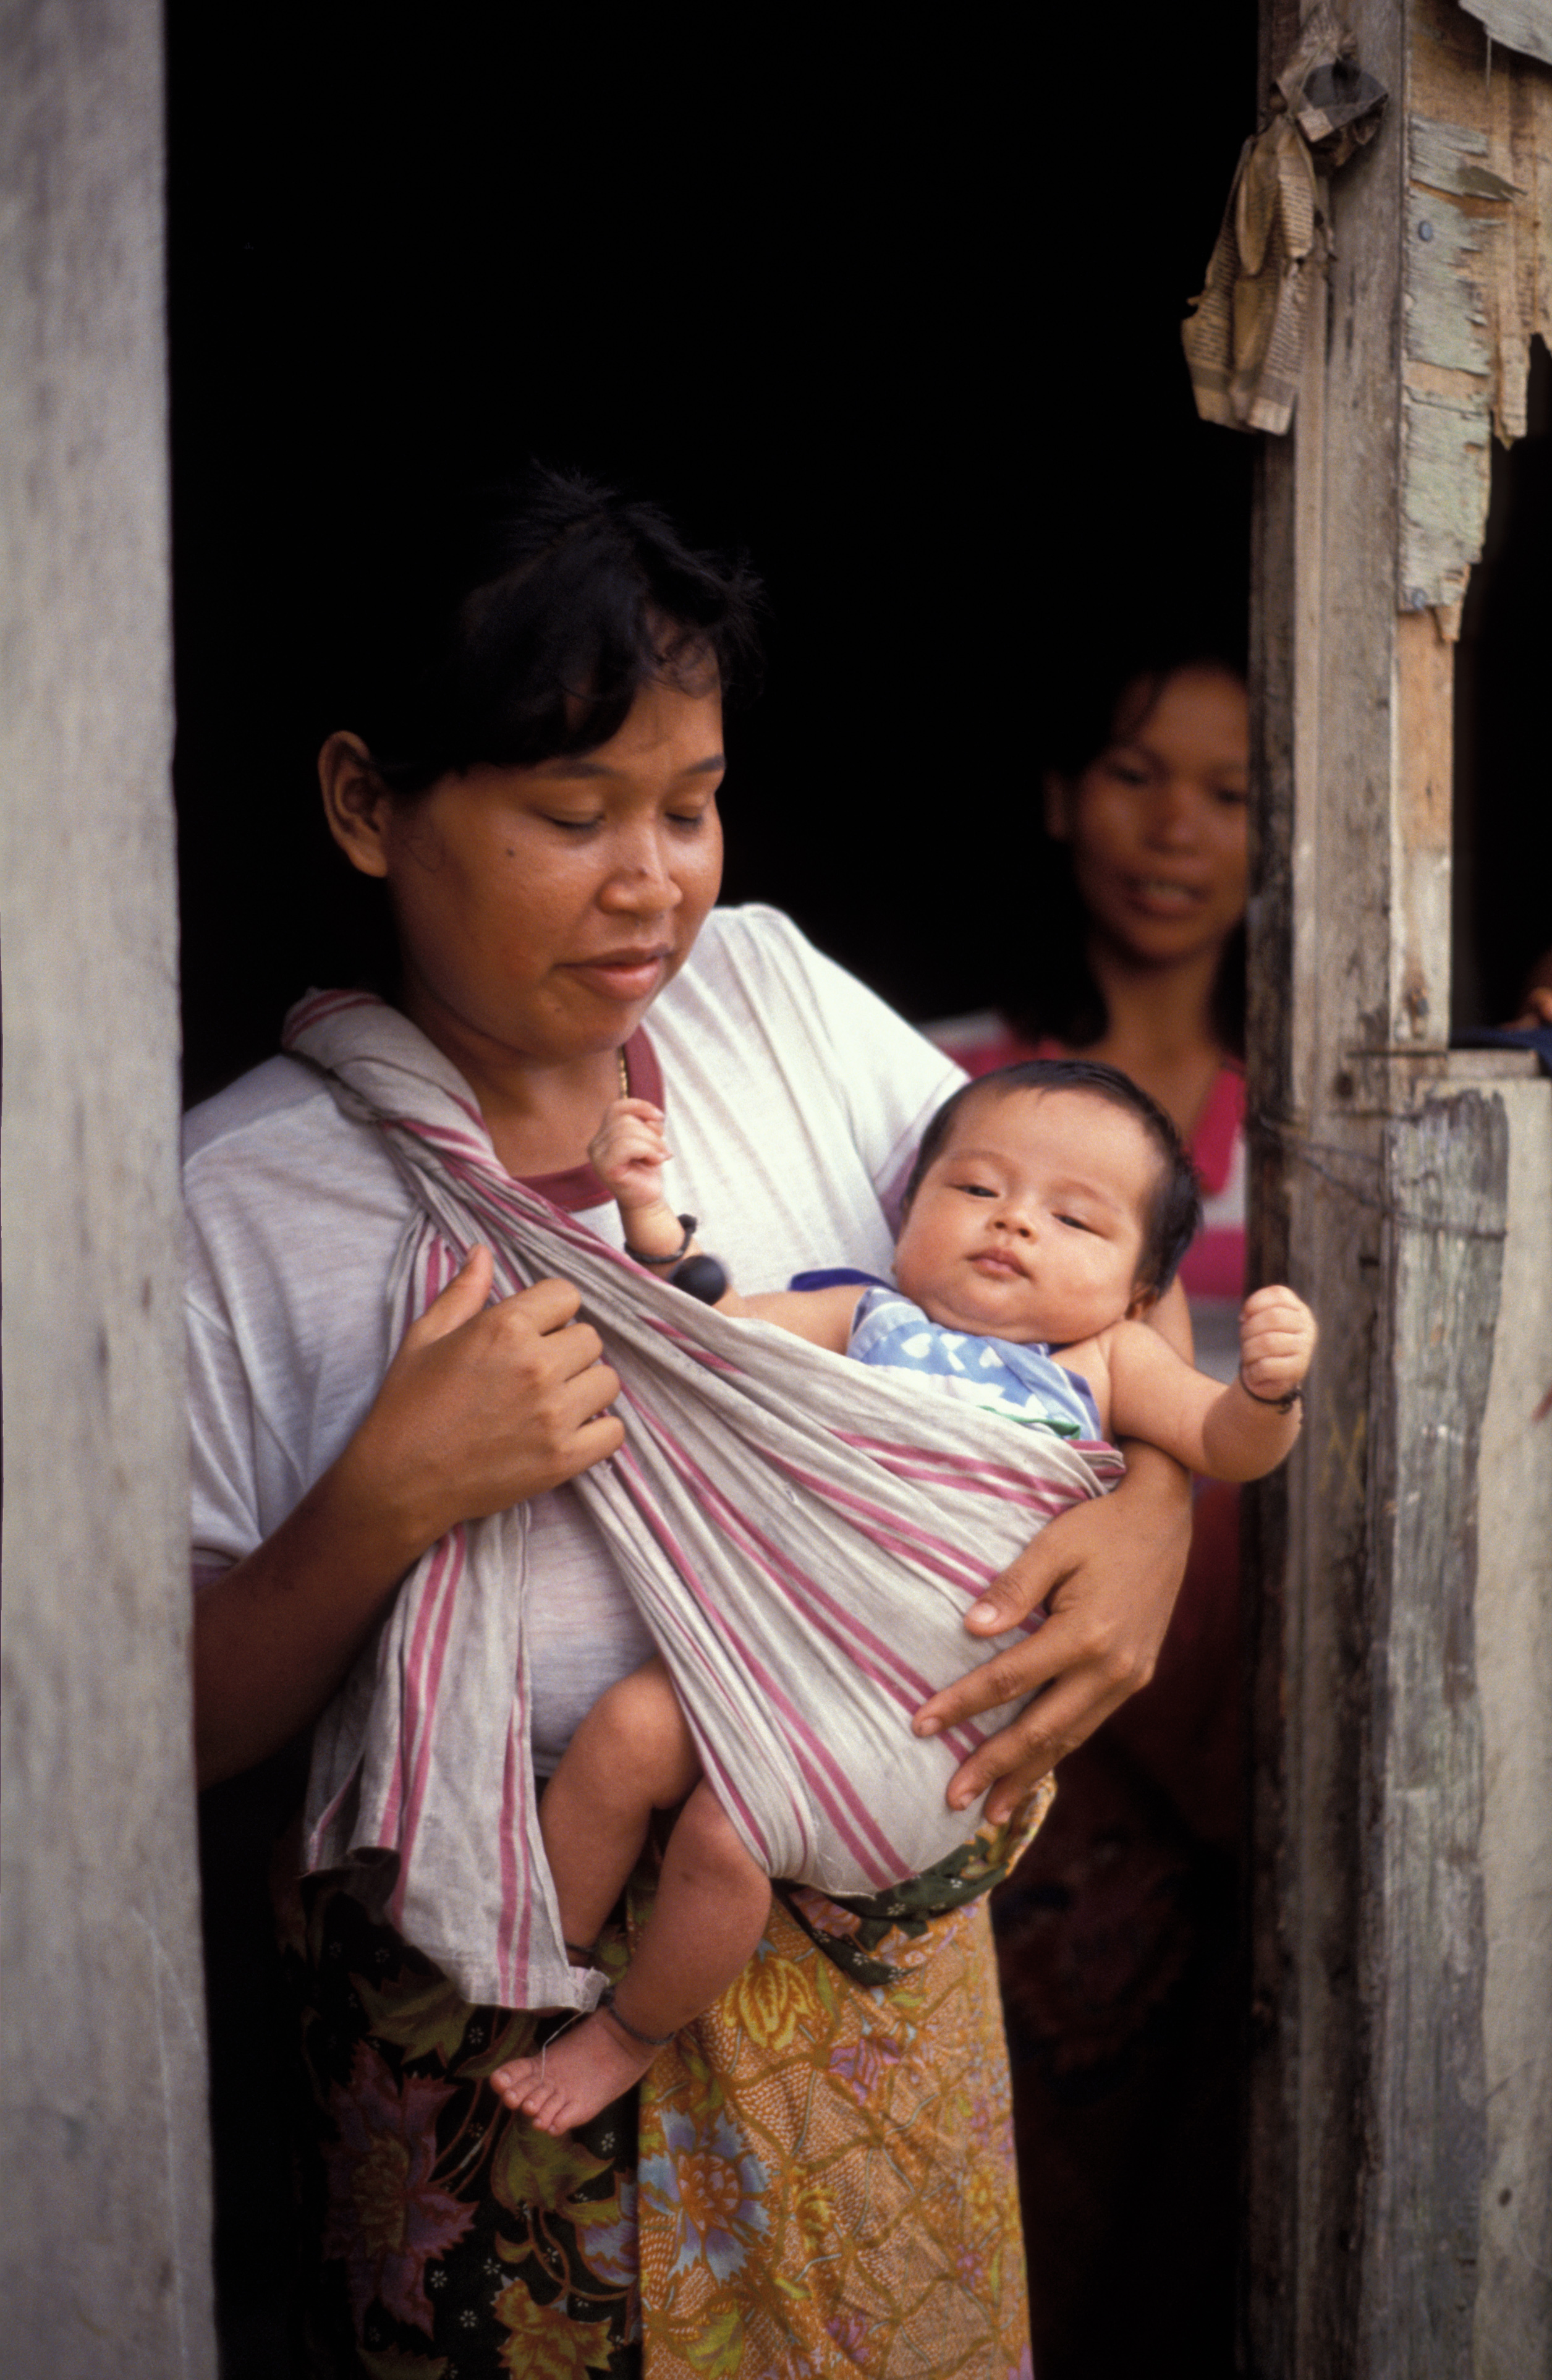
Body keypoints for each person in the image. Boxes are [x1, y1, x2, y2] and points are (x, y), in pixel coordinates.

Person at [185, 468, 1199, 2378]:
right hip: (505, 2117)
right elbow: (136, 1737)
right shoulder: (240, 1204)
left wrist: (1148, 1507)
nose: (654, 880)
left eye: (692, 800)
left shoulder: (776, 1006)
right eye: (574, 814)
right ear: (361, 803)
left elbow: (1088, 1278)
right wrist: (382, 1502)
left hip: (873, 2056)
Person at [494, 1063, 1315, 2136]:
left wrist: (1270, 1391)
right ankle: (530, 1970)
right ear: (910, 1209)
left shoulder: (1107, 1364)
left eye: (1073, 1217)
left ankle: (630, 2031)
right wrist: (647, 1209)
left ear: (1140, 1292)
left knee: (723, 1840)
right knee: (620, 1737)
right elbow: (713, 1329)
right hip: (769, 1640)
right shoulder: (861, 1314)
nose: (1015, 1221)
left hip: (905, 1708)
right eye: (976, 1189)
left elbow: (1225, 1445)